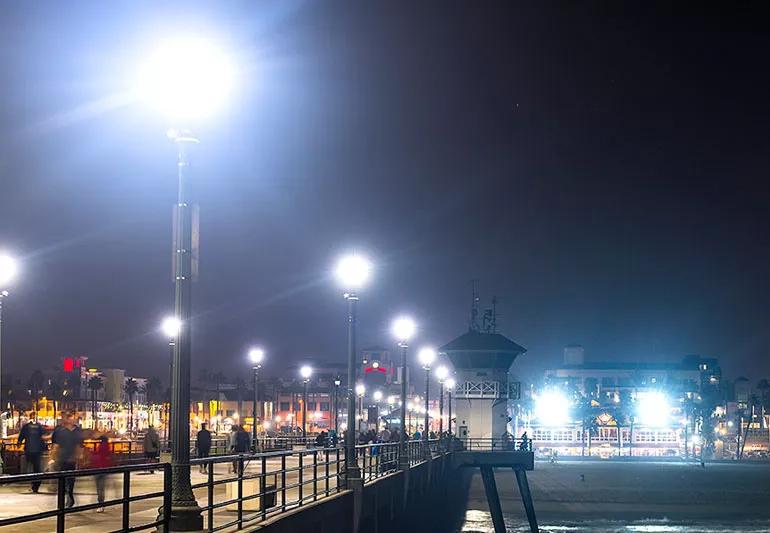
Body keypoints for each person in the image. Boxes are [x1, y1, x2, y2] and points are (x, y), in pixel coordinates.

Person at [52, 412, 83, 508]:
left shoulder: (77, 431)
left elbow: (79, 445)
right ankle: (63, 502)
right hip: (61, 458)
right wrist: (53, 457)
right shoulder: (59, 430)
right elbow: (55, 445)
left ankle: (69, 496)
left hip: (71, 459)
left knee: (70, 480)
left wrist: (79, 457)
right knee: (62, 480)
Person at [18, 418, 46, 493]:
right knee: (37, 468)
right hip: (37, 450)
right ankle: (36, 485)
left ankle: (32, 483)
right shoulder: (39, 426)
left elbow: (21, 437)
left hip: (29, 450)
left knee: (29, 467)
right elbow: (44, 437)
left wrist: (19, 443)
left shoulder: (26, 427)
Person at [90, 436, 113, 513]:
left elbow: (98, 456)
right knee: (101, 487)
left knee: (99, 487)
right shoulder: (107, 447)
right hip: (104, 468)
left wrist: (93, 453)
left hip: (98, 468)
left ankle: (100, 503)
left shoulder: (101, 447)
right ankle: (101, 504)